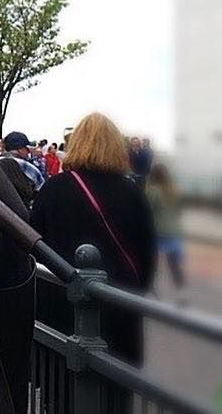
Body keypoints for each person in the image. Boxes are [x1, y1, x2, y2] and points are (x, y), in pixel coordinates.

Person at [31, 112, 156, 365]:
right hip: (120, 308)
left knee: (61, 393)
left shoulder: (54, 189)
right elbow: (147, 252)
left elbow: (35, 247)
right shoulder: (132, 192)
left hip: (62, 308)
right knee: (115, 389)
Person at [147, 163, 186, 302]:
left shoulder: (153, 191)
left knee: (153, 264)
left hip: (159, 231)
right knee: (174, 265)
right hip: (175, 232)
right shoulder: (174, 190)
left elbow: (148, 211)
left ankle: (152, 291)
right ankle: (181, 292)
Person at [0, 131, 45, 209]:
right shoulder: (29, 168)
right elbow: (42, 191)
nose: (28, 152)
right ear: (20, 149)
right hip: (21, 213)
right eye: (27, 149)